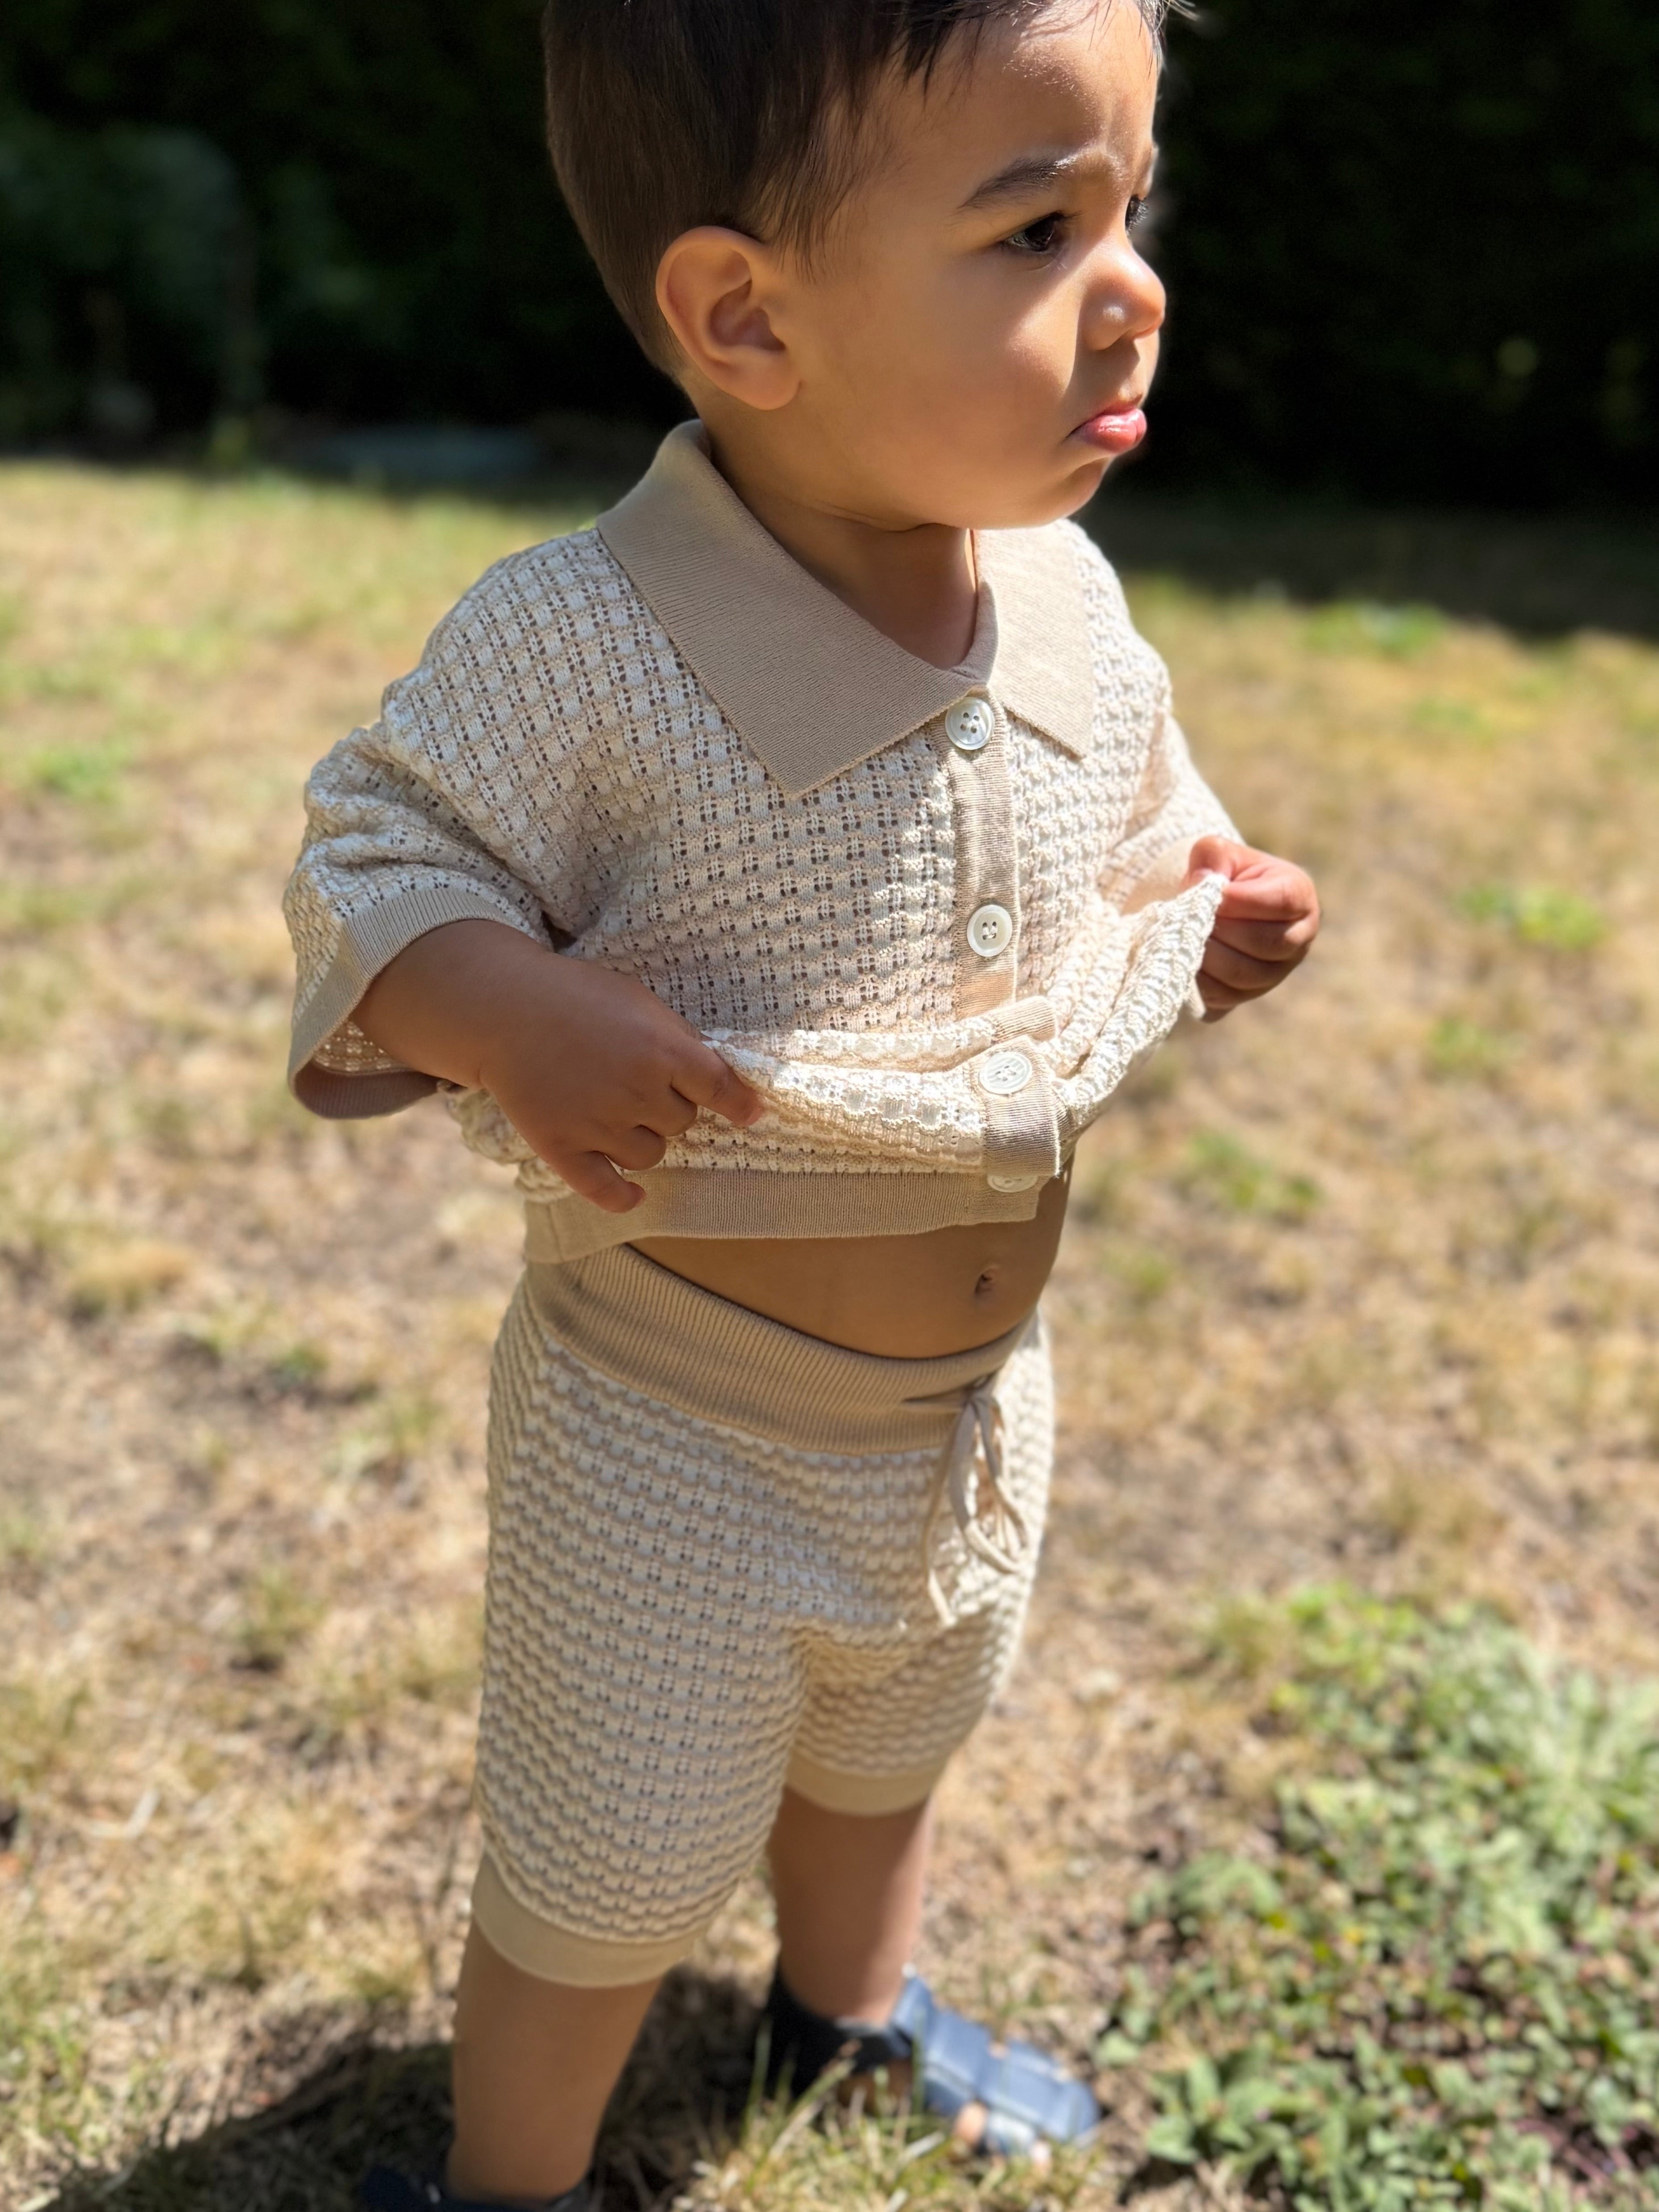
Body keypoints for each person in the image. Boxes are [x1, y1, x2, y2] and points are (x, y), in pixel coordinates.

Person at [282, 1, 1320, 2204]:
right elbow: (375, 860)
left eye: (1131, 207)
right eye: (1037, 230)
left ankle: (842, 2012)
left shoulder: (1061, 593)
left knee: (893, 1745)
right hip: (673, 1431)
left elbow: (1141, 810)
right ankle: (509, 2181)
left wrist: (1214, 901)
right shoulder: (586, 641)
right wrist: (509, 1009)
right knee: (603, 1858)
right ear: (745, 317)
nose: (1132, 284)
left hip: (967, 1410)